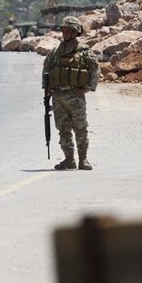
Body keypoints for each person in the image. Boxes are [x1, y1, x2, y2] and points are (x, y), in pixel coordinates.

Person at [43, 16, 99, 171]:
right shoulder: (56, 51)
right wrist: (47, 88)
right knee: (63, 128)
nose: (65, 33)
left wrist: (87, 89)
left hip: (76, 96)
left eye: (69, 31)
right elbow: (47, 69)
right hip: (58, 96)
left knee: (80, 128)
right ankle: (69, 159)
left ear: (75, 32)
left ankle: (83, 159)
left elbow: (95, 70)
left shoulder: (84, 51)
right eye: (64, 30)